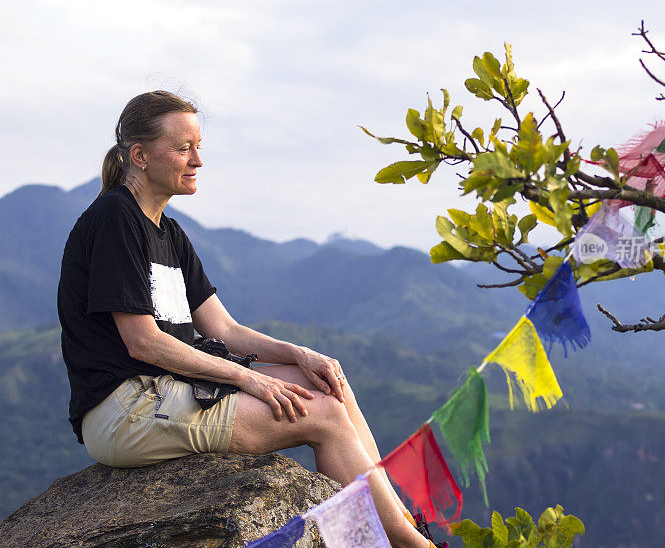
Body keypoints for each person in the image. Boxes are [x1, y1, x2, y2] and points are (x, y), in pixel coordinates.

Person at [57, 91, 443, 548]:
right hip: (124, 409)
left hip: (167, 391)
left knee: (324, 385)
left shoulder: (170, 233)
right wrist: (251, 380)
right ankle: (407, 543)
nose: (198, 159)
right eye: (183, 148)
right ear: (138, 155)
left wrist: (302, 355)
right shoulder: (116, 217)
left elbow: (223, 329)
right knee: (322, 417)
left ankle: (396, 517)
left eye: (199, 146)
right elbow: (144, 343)